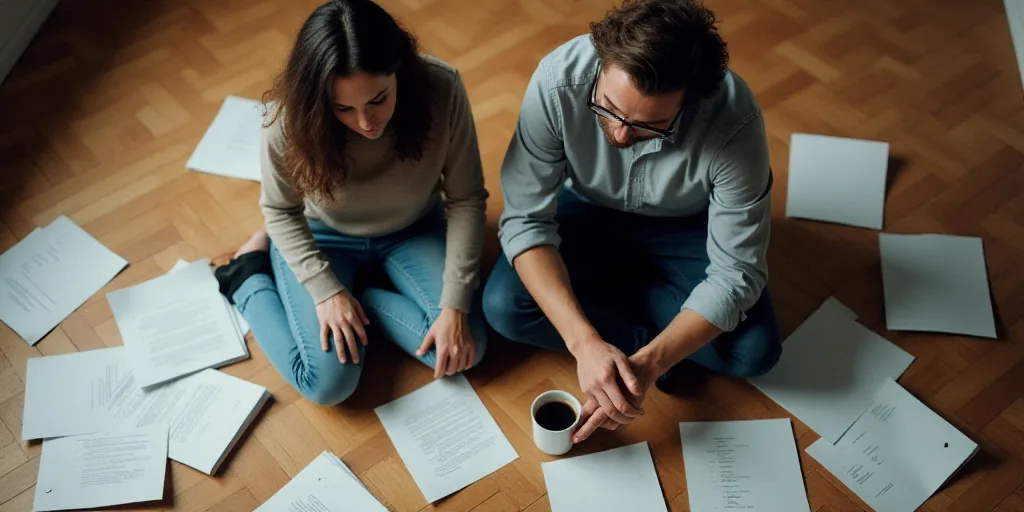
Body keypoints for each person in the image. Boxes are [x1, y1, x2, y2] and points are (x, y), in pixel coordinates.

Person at [482, 0, 781, 442]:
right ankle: (660, 316)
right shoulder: (557, 81)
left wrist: (649, 363)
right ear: (601, 64)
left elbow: (736, 273)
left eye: (650, 126)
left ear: (691, 101)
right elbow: (526, 220)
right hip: (585, 210)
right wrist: (583, 343)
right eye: (607, 108)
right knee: (503, 307)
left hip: (686, 226)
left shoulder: (734, 123)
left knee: (755, 353)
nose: (621, 134)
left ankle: (626, 315)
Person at [215, 0, 488, 406]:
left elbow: (466, 198)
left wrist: (453, 304)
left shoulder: (442, 87)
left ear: (400, 71)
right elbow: (279, 210)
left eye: (378, 99)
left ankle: (360, 297)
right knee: (328, 384)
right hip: (325, 236)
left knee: (465, 351)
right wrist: (326, 293)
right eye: (343, 108)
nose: (366, 122)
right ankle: (247, 277)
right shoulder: (287, 119)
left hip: (413, 228)